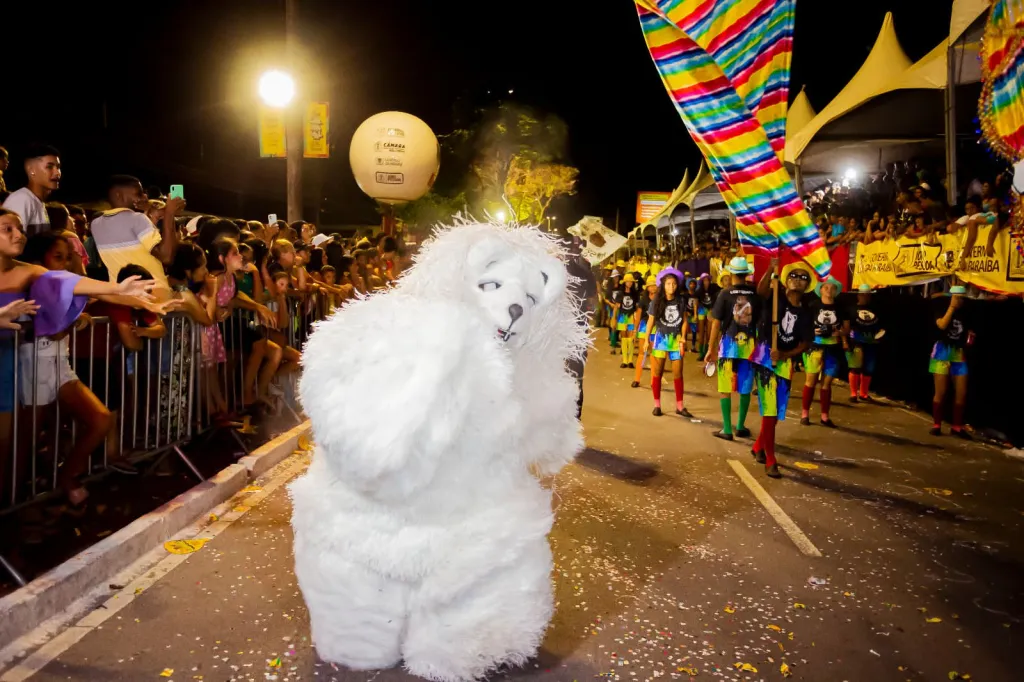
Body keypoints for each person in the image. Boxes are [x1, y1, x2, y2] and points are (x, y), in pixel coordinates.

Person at [751, 261, 814, 478]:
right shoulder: (775, 296)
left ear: (807, 286)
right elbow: (760, 291)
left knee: (776, 414)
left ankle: (758, 445)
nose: (798, 279)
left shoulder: (805, 313)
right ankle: (771, 459)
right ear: (786, 280)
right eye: (794, 276)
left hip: (785, 362)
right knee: (769, 412)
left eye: (803, 277)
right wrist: (770, 268)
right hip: (765, 357)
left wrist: (786, 355)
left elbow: (806, 342)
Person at [90, 175, 183, 287]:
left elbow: (132, 242)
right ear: (118, 195)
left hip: (124, 295)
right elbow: (166, 257)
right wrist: (169, 213)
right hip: (154, 294)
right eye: (138, 194)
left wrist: (153, 213)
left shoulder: (95, 224)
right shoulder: (137, 219)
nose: (145, 197)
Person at [704, 257, 760, 440]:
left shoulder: (724, 294)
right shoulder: (755, 293)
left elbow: (716, 323)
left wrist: (710, 348)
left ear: (732, 273)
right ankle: (741, 426)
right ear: (746, 274)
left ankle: (727, 429)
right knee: (745, 387)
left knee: (725, 387)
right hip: (749, 348)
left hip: (728, 347)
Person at [801, 277, 848, 427]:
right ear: (820, 290)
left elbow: (847, 329)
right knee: (810, 381)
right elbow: (802, 326)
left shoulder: (841, 308)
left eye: (832, 288)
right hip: (814, 347)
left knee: (827, 384)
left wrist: (840, 333)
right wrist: (812, 331)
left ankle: (824, 416)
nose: (829, 290)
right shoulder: (812, 306)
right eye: (826, 287)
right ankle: (805, 414)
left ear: (836, 291)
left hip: (833, 348)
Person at [645, 267, 690, 417]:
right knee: (657, 373)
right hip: (661, 340)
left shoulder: (681, 301)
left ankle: (680, 406)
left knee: (678, 373)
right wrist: (646, 340)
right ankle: (656, 405)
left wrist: (683, 336)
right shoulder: (656, 302)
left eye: (674, 284)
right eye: (668, 284)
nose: (671, 287)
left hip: (676, 340)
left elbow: (684, 321)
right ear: (663, 285)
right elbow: (650, 322)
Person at [930, 285, 972, 438]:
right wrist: (951, 307)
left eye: (962, 298)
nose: (960, 300)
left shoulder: (966, 312)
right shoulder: (942, 307)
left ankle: (957, 427)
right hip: (942, 351)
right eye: (957, 297)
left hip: (958, 352)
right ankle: (936, 424)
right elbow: (941, 325)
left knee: (961, 392)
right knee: (941, 391)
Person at [563, 238, 597, 419]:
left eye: (575, 250)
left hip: (576, 337)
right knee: (570, 379)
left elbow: (592, 301)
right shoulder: (556, 274)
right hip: (561, 338)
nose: (573, 253)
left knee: (574, 379)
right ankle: (570, 419)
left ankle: (573, 418)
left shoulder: (585, 274)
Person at [2, 144, 62, 235]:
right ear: (31, 170)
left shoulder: (37, 201)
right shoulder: (21, 199)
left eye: (58, 167)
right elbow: (8, 243)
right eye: (49, 167)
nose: (57, 173)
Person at [846, 283, 884, 403]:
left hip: (872, 342)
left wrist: (880, 334)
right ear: (858, 295)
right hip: (856, 342)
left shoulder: (875, 309)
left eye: (868, 295)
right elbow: (847, 327)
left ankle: (863, 393)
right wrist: (846, 342)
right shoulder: (851, 309)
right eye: (863, 294)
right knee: (855, 367)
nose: (865, 297)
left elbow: (881, 325)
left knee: (869, 369)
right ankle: (853, 393)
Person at [631, 275, 658, 388]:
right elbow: (638, 315)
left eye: (654, 285)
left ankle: (654, 381)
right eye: (650, 286)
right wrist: (635, 330)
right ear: (647, 288)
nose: (652, 288)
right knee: (642, 353)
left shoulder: (660, 299)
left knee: (654, 355)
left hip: (656, 328)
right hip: (644, 327)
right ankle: (637, 379)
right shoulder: (643, 299)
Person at [614, 274, 640, 368]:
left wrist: (637, 318)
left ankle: (630, 361)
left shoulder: (635, 294)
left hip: (631, 317)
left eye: (631, 281)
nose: (630, 283)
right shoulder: (620, 293)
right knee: (624, 338)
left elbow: (637, 307)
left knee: (631, 338)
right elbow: (616, 306)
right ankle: (625, 360)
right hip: (622, 317)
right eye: (628, 281)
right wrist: (614, 319)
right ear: (624, 282)